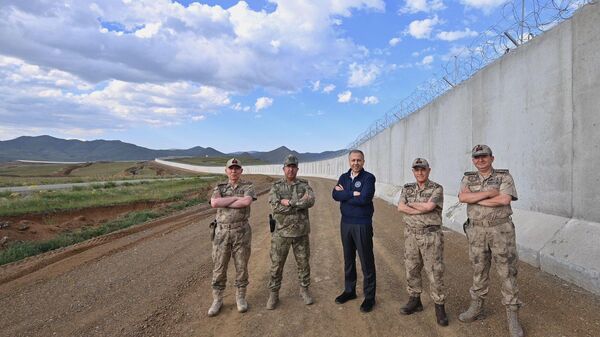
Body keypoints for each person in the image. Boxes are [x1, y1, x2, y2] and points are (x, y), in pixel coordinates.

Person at [458, 145, 523, 337]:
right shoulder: (468, 178)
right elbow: (462, 197)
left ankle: (513, 317)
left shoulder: (504, 177)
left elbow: (504, 200)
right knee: (479, 269)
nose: (480, 160)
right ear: (473, 160)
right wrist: (488, 194)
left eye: (484, 156)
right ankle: (477, 307)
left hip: (500, 230)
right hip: (476, 230)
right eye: (476, 157)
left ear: (492, 158)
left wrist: (474, 199)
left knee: (507, 272)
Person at [397, 158, 448, 326]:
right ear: (413, 171)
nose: (420, 172)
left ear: (429, 170)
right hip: (411, 235)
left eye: (423, 169)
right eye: (416, 169)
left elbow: (429, 207)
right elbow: (400, 207)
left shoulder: (436, 188)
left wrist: (410, 204)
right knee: (411, 268)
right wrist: (420, 205)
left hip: (430, 236)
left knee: (434, 271)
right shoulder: (407, 188)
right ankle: (415, 299)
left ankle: (439, 306)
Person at [207, 158, 256, 317]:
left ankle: (240, 298)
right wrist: (236, 198)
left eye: (237, 168)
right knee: (219, 267)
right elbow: (214, 203)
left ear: (241, 171)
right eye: (231, 168)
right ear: (226, 170)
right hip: (221, 233)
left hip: (241, 232)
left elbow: (246, 201)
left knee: (241, 266)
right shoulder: (219, 187)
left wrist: (226, 201)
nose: (234, 171)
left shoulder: (248, 186)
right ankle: (217, 300)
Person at [266, 154, 316, 309]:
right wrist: (299, 205)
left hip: (300, 232)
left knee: (303, 263)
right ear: (283, 169)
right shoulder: (276, 186)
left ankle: (304, 290)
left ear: (297, 169)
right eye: (288, 167)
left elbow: (310, 201)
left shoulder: (304, 185)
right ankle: (274, 294)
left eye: (293, 167)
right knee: (277, 264)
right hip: (281, 233)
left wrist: (290, 203)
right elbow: (275, 207)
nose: (291, 169)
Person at [332, 149, 377, 313]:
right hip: (346, 224)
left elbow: (365, 198)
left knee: (366, 261)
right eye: (353, 160)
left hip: (362, 224)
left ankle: (369, 297)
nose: (356, 163)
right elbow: (334, 195)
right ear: (349, 161)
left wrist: (345, 195)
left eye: (359, 160)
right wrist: (352, 193)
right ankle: (350, 291)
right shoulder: (344, 177)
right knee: (349, 259)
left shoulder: (368, 178)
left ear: (363, 162)